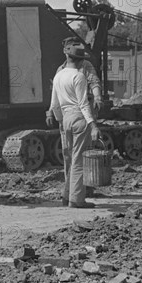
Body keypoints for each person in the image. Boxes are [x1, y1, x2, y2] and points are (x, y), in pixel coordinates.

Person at [47, 40, 100, 208]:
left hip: (65, 119)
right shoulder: (79, 76)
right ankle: (77, 200)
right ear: (79, 60)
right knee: (78, 161)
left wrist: (60, 121)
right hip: (80, 119)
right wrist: (93, 125)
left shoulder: (58, 76)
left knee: (69, 158)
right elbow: (83, 104)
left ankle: (66, 195)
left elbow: (55, 104)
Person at [56, 37, 103, 112]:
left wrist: (97, 97)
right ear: (65, 51)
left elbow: (94, 82)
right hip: (67, 111)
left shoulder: (86, 65)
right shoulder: (60, 70)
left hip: (85, 107)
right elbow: (56, 93)